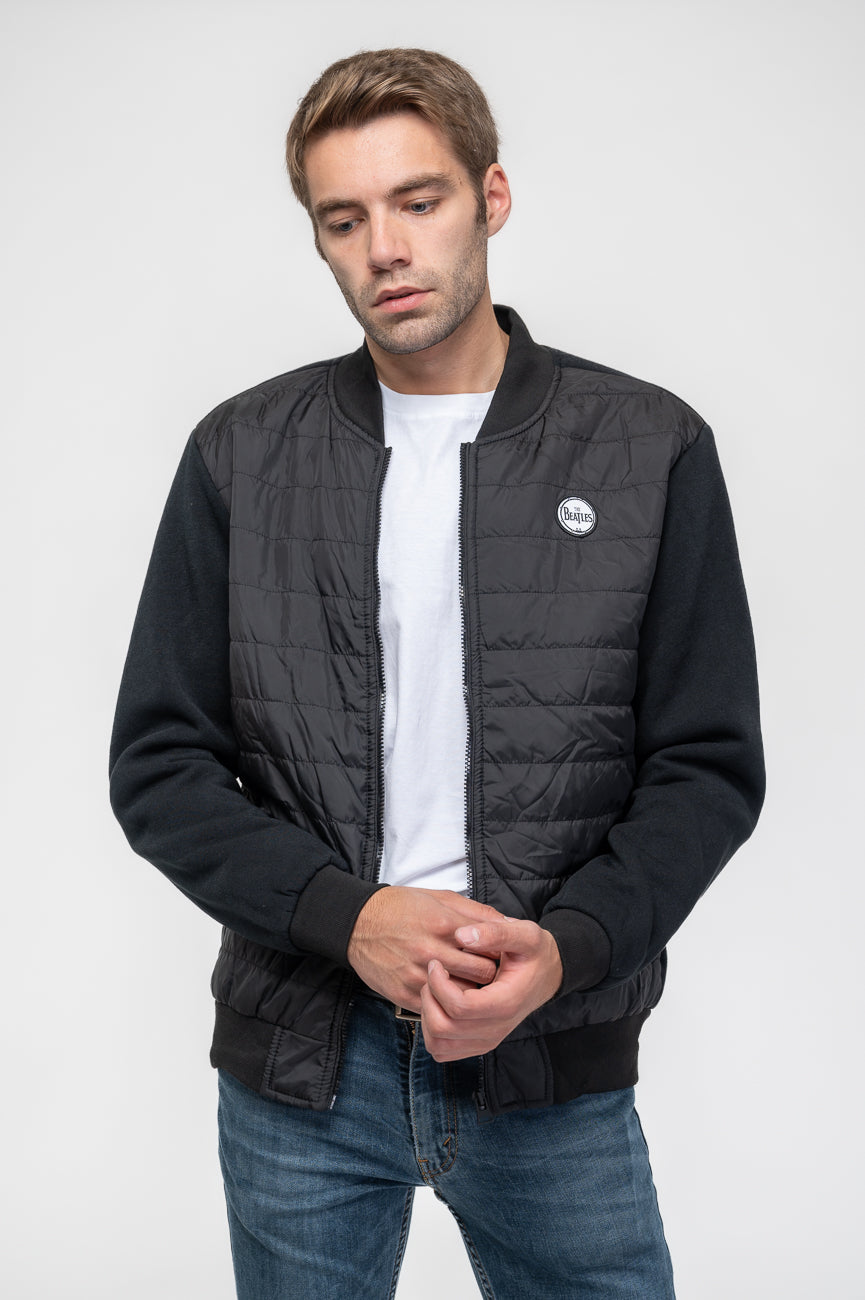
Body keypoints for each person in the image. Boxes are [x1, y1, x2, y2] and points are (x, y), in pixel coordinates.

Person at [110, 47, 764, 1299]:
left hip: (549, 1064)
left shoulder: (648, 447)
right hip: (304, 1070)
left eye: (419, 201)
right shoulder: (241, 455)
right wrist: (347, 917)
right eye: (343, 219)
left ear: (490, 198)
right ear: (318, 238)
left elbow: (706, 768)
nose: (386, 250)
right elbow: (159, 765)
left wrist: (566, 950)